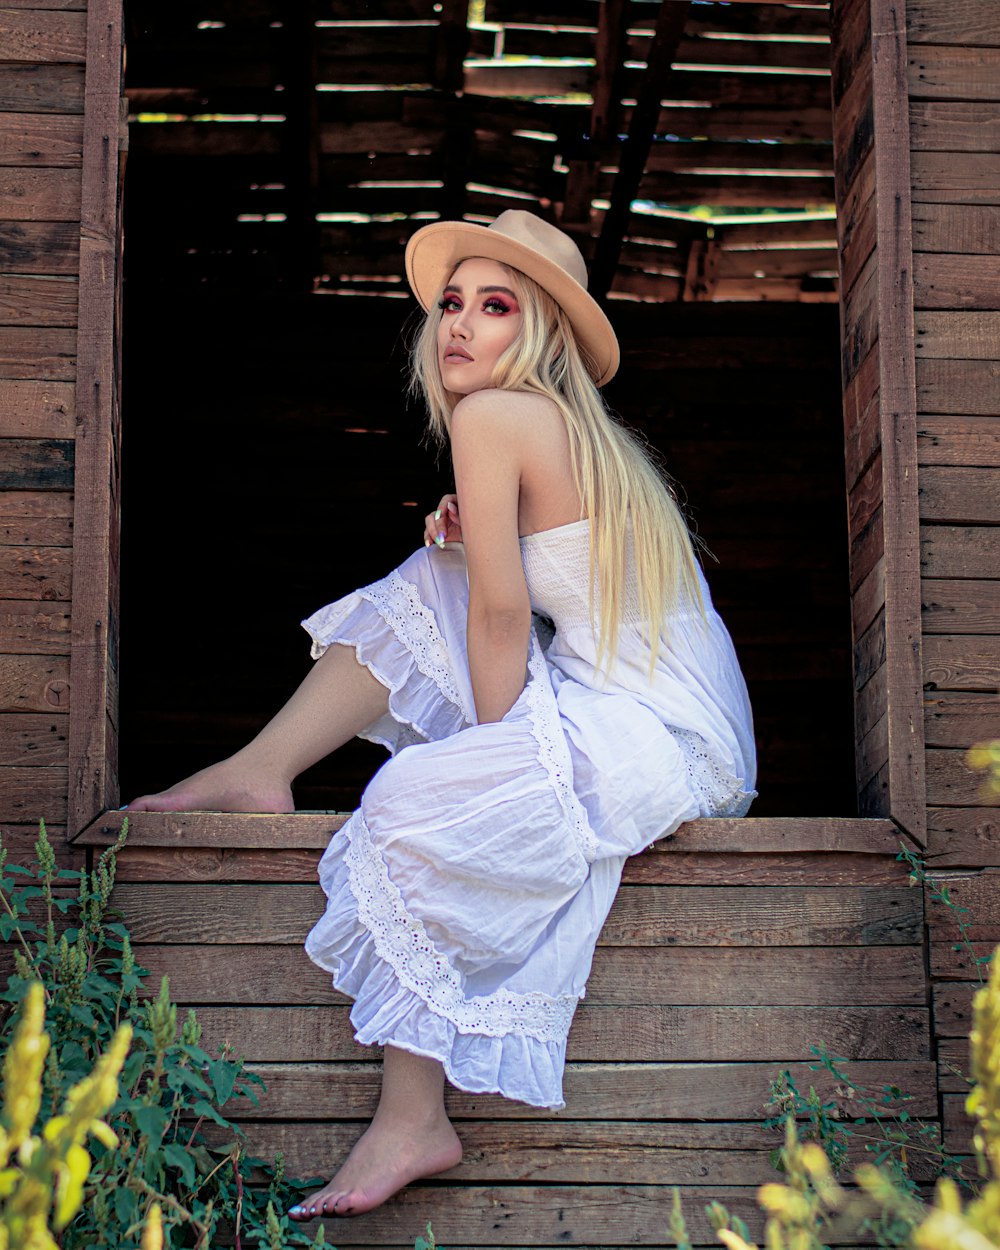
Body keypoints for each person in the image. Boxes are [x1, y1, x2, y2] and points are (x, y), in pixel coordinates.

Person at [127, 210, 757, 1220]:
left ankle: (415, 1113)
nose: (459, 323)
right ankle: (260, 765)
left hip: (662, 734)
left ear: (542, 329)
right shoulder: (555, 429)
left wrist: (492, 762)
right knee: (435, 571)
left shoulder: (498, 416)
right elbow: (498, 597)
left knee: (414, 802)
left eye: (494, 306)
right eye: (451, 302)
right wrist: (474, 550)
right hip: (674, 714)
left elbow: (509, 616)